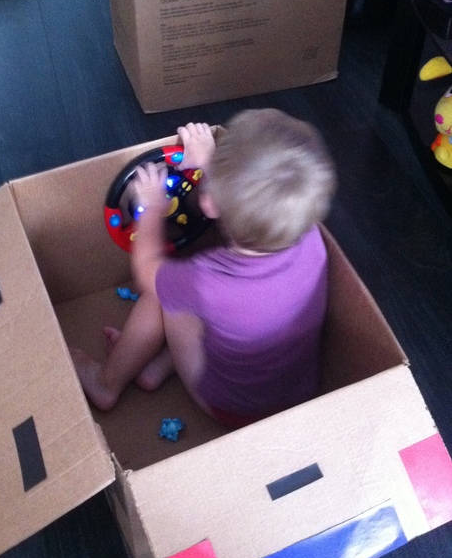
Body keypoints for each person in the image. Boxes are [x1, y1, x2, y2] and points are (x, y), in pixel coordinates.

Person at [72, 109, 337, 428]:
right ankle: (157, 367)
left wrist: (152, 209)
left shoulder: (203, 280)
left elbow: (146, 270)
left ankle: (106, 383)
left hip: (229, 407)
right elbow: (257, 200)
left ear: (208, 204)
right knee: (224, 317)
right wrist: (209, 163)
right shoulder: (311, 239)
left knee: (160, 295)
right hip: (295, 397)